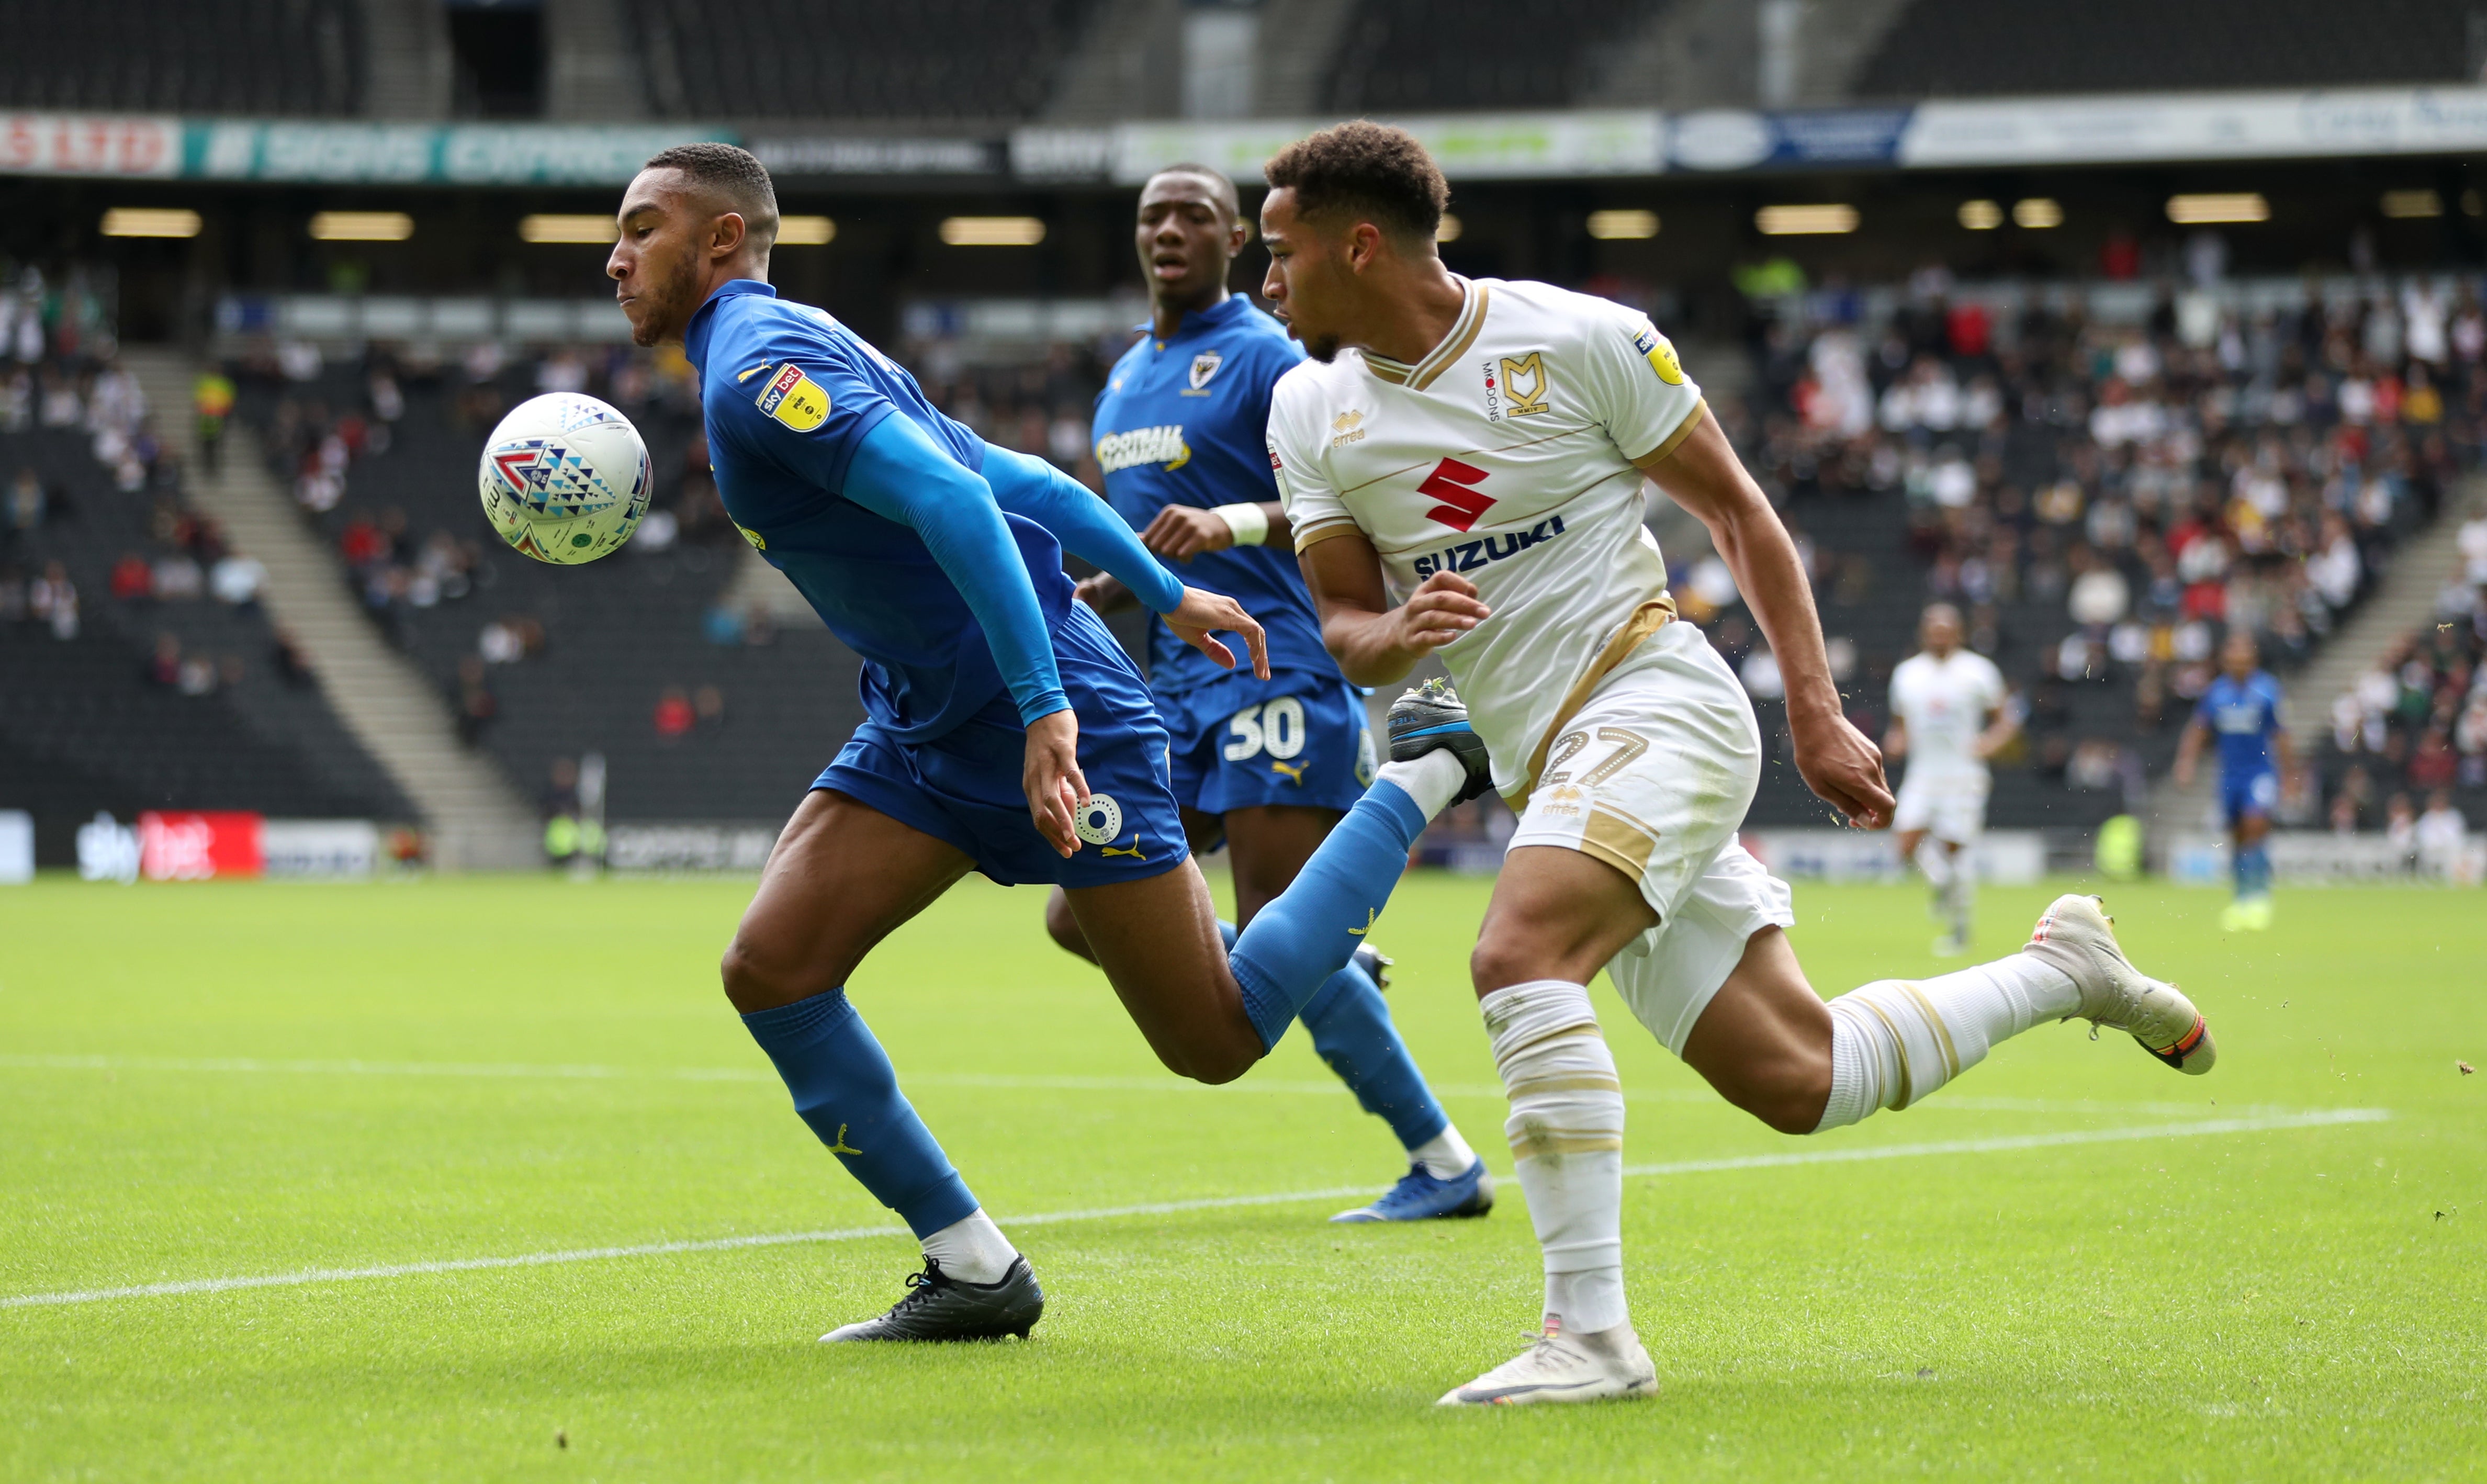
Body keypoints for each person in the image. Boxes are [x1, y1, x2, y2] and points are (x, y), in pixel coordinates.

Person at [1256, 121, 2216, 1407]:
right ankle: (2063, 972)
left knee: (1516, 953)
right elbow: (1343, 627)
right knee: (1802, 1078)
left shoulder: (1579, 337)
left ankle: (1589, 1336)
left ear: (1358, 244)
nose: (1269, 281)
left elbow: (1739, 513)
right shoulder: (1310, 405)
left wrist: (1817, 713)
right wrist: (1398, 630)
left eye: (1281, 252)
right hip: (1555, 769)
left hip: (1655, 696)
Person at [605, 143, 1486, 1346]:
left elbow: (965, 505)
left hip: (1039, 702)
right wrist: (1162, 593)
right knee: (774, 965)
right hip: (927, 716)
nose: (615, 257)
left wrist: (1046, 710)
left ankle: (1428, 768)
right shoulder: (789, 346)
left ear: (721, 243)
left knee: (1215, 1039)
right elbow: (1018, 475)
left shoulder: (762, 365)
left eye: (640, 230)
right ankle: (973, 1270)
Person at [1049, 162, 1486, 1223]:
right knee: (1079, 910)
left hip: (1272, 662)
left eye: (1193, 216)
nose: (1168, 231)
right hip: (1172, 680)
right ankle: (1333, 950)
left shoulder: (1262, 355)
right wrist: (1122, 581)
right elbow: (1163, 534)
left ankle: (1441, 1160)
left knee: (1263, 933)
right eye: (1152, 215)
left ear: (1236, 238)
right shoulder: (1125, 379)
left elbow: (1357, 497)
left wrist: (1234, 522)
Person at [1884, 602, 2017, 955]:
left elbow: (2006, 718)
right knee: (1905, 844)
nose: (1938, 636)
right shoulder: (1907, 674)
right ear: (1923, 633)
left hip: (1963, 775)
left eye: (1945, 630)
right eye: (1933, 630)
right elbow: (1898, 725)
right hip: (1922, 772)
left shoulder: (1977, 672)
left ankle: (1959, 931)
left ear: (1958, 633)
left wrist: (1990, 743)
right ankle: (1940, 884)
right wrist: (1894, 742)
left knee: (1955, 851)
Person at [2173, 629, 2295, 931]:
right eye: (2233, 657)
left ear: (2252, 660)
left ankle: (2260, 900)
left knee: (2255, 826)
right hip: (2230, 776)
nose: (2238, 662)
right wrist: (2186, 762)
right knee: (2237, 836)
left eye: (2244, 656)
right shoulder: (2217, 693)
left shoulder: (2267, 691)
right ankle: (2242, 899)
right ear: (2226, 661)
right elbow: (2199, 729)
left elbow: (2281, 736)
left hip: (2260, 773)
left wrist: (2290, 776)